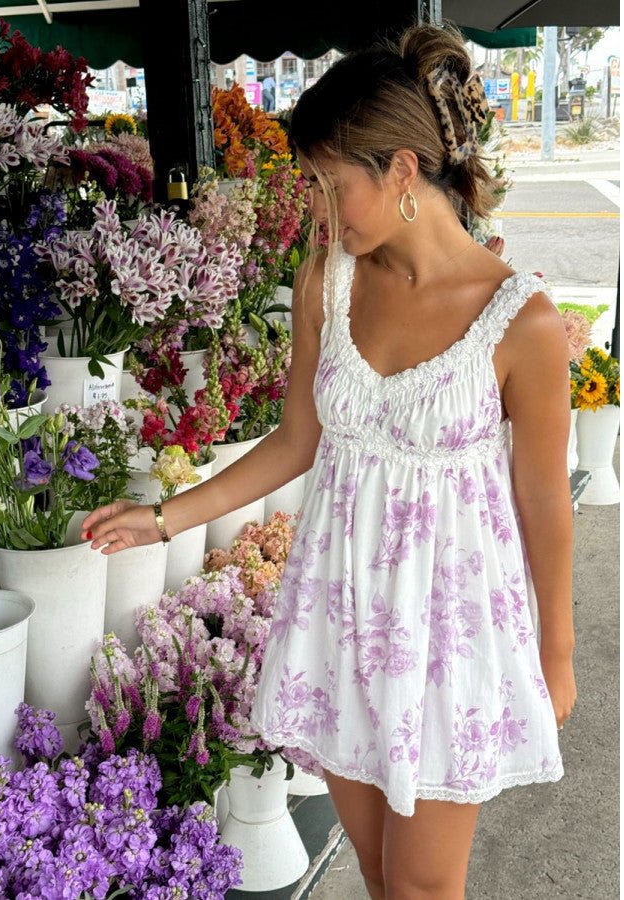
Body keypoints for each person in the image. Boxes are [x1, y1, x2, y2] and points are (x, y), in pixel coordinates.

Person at [82, 22, 576, 899]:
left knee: (425, 888)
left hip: (447, 632)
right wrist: (163, 517)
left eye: (329, 183)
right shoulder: (329, 281)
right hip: (338, 616)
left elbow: (544, 498)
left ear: (400, 171)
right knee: (383, 878)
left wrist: (559, 651)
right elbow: (296, 441)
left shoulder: (521, 322)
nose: (317, 208)